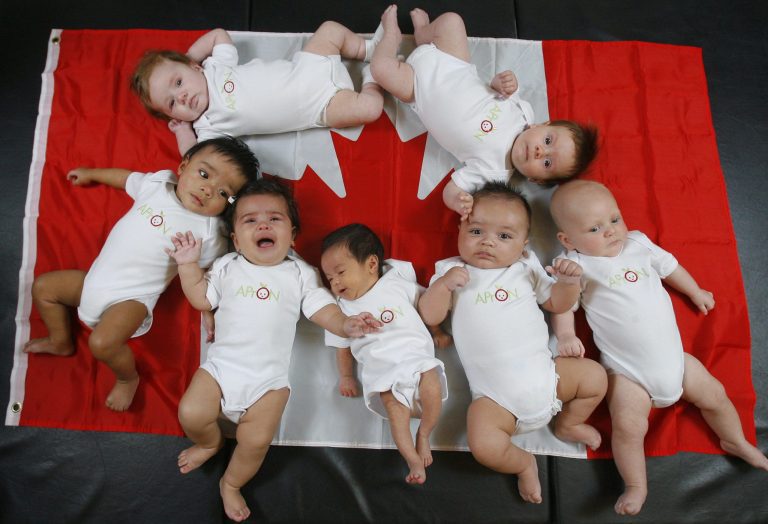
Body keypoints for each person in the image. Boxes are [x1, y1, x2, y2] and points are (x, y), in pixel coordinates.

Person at [548, 179, 768, 515]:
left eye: (614, 219)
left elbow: (670, 268)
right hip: (627, 373)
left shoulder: (638, 245)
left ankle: (734, 440)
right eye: (594, 228)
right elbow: (564, 305)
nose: (610, 231)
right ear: (568, 240)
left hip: (677, 361)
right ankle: (636, 485)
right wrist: (565, 336)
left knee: (716, 395)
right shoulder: (575, 266)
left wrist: (695, 291)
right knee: (628, 427)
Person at [166, 179, 380, 522]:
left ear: (292, 236)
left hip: (269, 382)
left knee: (256, 440)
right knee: (191, 413)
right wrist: (187, 265)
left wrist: (346, 325)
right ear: (236, 239)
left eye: (274, 219)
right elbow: (201, 298)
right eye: (249, 220)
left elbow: (322, 310)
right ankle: (210, 443)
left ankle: (232, 483)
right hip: (221, 369)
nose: (263, 225)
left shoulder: (300, 274)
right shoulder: (227, 266)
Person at [23, 137, 259, 412]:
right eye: (204, 174)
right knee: (44, 288)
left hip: (131, 299)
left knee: (102, 343)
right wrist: (92, 174)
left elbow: (209, 272)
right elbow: (125, 179)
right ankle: (60, 340)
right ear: (183, 167)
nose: (208, 189)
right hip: (92, 282)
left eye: (222, 193)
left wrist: (208, 309)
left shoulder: (207, 232)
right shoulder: (157, 186)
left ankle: (127, 378)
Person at [418, 181, 607, 503]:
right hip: (495, 401)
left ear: (523, 245)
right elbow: (429, 315)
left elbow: (557, 305)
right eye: (476, 231)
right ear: (460, 231)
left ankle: (569, 424)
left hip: (551, 378)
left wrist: (569, 282)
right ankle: (523, 464)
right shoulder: (451, 271)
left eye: (504, 236)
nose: (488, 242)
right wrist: (443, 288)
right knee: (483, 446)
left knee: (594, 377)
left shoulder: (526, 267)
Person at [370, 6, 597, 218]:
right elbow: (498, 88)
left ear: (534, 179)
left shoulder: (494, 172)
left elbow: (452, 189)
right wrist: (503, 82)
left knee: (380, 69)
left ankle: (391, 36)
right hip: (454, 63)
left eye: (547, 163)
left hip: (418, 88)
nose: (540, 151)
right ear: (541, 125)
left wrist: (459, 201)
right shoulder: (523, 112)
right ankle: (423, 33)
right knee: (452, 21)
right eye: (548, 140)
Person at [132, 22, 385, 155]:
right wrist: (183, 131)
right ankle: (372, 75)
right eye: (172, 103)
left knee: (330, 30)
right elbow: (195, 157)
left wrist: (190, 57)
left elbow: (218, 34)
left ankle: (367, 51)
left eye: (178, 83)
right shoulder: (209, 126)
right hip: (322, 107)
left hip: (309, 66)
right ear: (172, 116)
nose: (182, 96)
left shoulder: (215, 67)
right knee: (370, 109)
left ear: (194, 68)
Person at [320, 223, 448, 484]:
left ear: (371, 264)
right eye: (330, 278)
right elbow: (342, 347)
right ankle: (411, 459)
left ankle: (424, 434)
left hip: (417, 358)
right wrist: (346, 377)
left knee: (432, 383)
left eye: (341, 272)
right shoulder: (340, 310)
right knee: (395, 411)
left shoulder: (396, 284)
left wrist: (436, 331)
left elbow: (424, 306)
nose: (335, 282)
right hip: (382, 370)